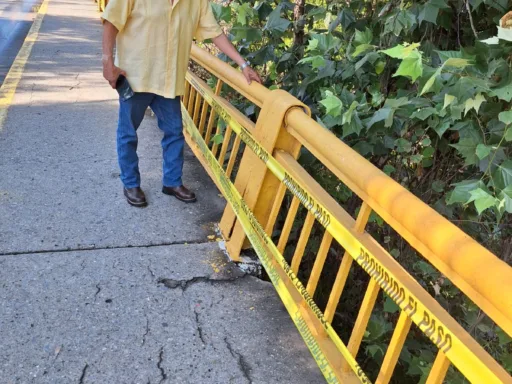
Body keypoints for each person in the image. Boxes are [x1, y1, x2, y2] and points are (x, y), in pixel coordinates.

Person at [102, 0, 261, 207]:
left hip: (169, 79)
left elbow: (215, 32)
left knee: (175, 133)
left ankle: (172, 182)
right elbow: (110, 22)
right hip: (136, 77)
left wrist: (243, 64)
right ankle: (131, 184)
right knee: (128, 133)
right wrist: (107, 63)